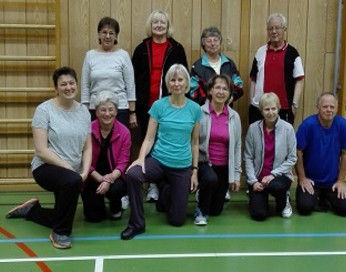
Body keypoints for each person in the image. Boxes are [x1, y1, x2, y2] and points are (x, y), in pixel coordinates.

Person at [5, 67, 92, 250]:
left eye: (71, 83)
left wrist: (84, 172)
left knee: (63, 213)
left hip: (72, 174)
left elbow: (88, 147)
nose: (68, 87)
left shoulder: (84, 112)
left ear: (77, 85)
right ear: (56, 88)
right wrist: (70, 170)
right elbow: (41, 151)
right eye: (63, 84)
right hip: (46, 168)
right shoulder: (44, 110)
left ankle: (32, 211)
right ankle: (60, 232)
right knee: (66, 211)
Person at [121, 64, 201, 240]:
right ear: (167, 83)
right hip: (159, 161)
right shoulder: (159, 106)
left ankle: (165, 190)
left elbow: (195, 142)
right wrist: (140, 159)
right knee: (133, 175)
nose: (176, 83)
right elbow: (149, 138)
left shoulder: (195, 109)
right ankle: (136, 224)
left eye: (180, 80)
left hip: (182, 166)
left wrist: (194, 171)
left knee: (177, 220)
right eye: (173, 80)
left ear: (186, 83)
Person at [132, 10, 188, 202]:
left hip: (170, 105)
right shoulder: (141, 48)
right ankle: (152, 185)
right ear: (150, 25)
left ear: (168, 26)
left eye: (162, 22)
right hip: (145, 105)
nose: (159, 25)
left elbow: (184, 77)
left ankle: (164, 184)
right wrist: (133, 109)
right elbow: (133, 78)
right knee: (148, 142)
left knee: (163, 142)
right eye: (155, 22)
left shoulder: (176, 48)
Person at [295, 92, 346, 217]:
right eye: (325, 106)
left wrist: (341, 181)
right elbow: (297, 151)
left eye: (332, 107)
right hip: (311, 181)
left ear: (336, 108)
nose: (329, 110)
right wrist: (302, 178)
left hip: (332, 183)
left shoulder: (343, 125)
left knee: (345, 209)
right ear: (318, 108)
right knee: (304, 208)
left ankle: (325, 198)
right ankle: (317, 198)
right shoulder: (307, 125)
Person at [194, 74, 241, 226]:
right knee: (210, 179)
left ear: (229, 94)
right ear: (210, 91)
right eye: (217, 88)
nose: (221, 92)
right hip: (204, 163)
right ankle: (200, 211)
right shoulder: (199, 112)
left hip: (224, 167)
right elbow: (192, 142)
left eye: (225, 89)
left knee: (216, 210)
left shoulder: (234, 116)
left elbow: (237, 146)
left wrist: (236, 176)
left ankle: (205, 193)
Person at [244, 92, 297, 221]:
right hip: (259, 179)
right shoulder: (253, 129)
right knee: (259, 215)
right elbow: (248, 158)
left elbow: (292, 158)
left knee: (276, 187)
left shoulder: (288, 129)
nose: (271, 113)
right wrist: (253, 181)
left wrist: (273, 175)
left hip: (279, 177)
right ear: (261, 111)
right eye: (267, 109)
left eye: (273, 109)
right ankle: (256, 197)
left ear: (279, 108)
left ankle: (284, 200)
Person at [81, 90, 131, 222]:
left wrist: (108, 180)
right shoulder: (87, 130)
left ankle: (116, 206)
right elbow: (83, 160)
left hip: (114, 176)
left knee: (116, 190)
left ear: (116, 111)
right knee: (94, 217)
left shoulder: (124, 132)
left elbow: (123, 162)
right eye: (103, 110)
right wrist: (100, 178)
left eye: (111, 109)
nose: (107, 114)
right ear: (96, 112)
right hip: (92, 175)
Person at [81, 16, 136, 129]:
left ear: (116, 36)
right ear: (98, 34)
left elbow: (130, 86)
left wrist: (132, 113)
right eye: (104, 32)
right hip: (95, 109)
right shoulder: (90, 55)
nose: (107, 36)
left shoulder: (123, 55)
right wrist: (85, 112)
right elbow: (85, 86)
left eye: (111, 33)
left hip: (120, 109)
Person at [249, 13, 304, 126]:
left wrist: (294, 104)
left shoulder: (292, 53)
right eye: (270, 28)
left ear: (284, 29)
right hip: (259, 108)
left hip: (283, 109)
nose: (274, 31)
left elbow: (299, 80)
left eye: (277, 28)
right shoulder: (260, 52)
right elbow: (253, 79)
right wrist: (252, 102)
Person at [190, 26, 244, 106]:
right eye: (209, 41)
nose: (213, 44)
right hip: (205, 109)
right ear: (203, 44)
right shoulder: (197, 67)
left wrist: (231, 96)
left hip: (226, 108)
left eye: (215, 40)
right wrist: (209, 102)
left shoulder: (229, 64)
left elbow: (238, 85)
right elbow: (193, 91)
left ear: (220, 43)